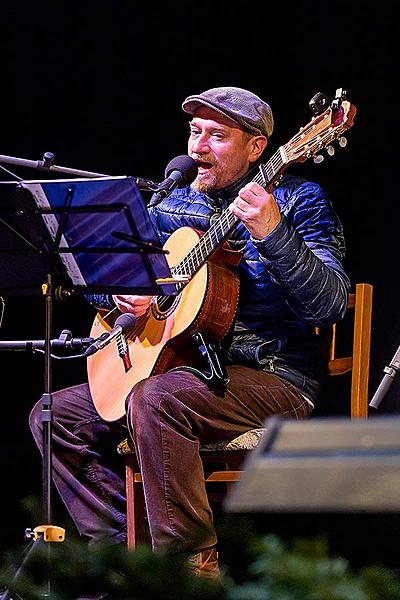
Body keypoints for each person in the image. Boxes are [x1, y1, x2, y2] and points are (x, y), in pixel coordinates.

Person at [29, 86, 351, 580]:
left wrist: (272, 231)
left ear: (257, 148)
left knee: (157, 401)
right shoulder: (174, 202)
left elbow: (328, 303)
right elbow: (102, 276)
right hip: (179, 369)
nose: (198, 147)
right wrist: (120, 292)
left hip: (272, 374)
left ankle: (188, 576)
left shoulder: (298, 199)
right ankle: (122, 559)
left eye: (217, 136)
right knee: (55, 415)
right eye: (195, 131)